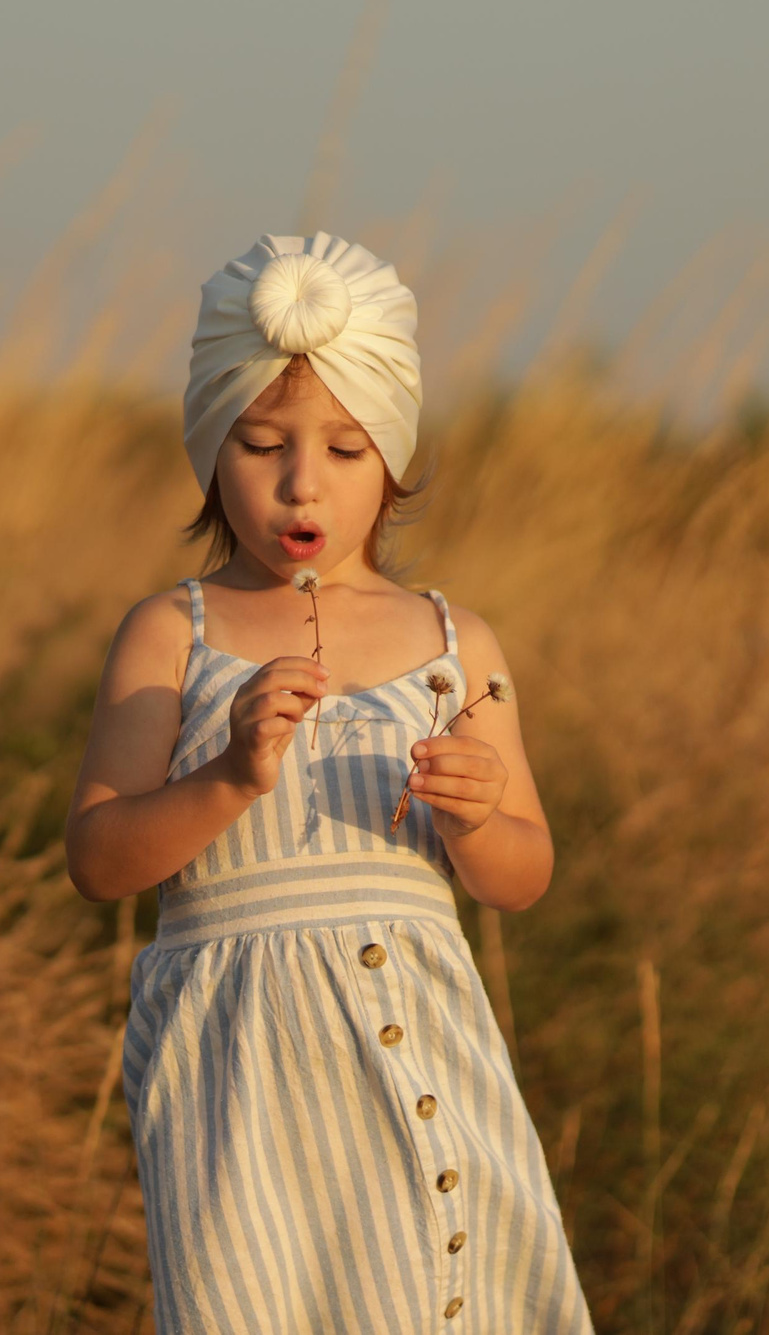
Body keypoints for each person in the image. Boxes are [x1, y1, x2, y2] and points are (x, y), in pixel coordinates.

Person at [65, 231, 594, 1332]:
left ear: (394, 462)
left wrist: (481, 813)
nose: (302, 483)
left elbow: (522, 877)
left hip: (417, 1043)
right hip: (240, 1076)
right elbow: (101, 861)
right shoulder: (175, 631)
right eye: (261, 444)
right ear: (211, 448)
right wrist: (227, 775)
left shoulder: (456, 642)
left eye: (348, 451)